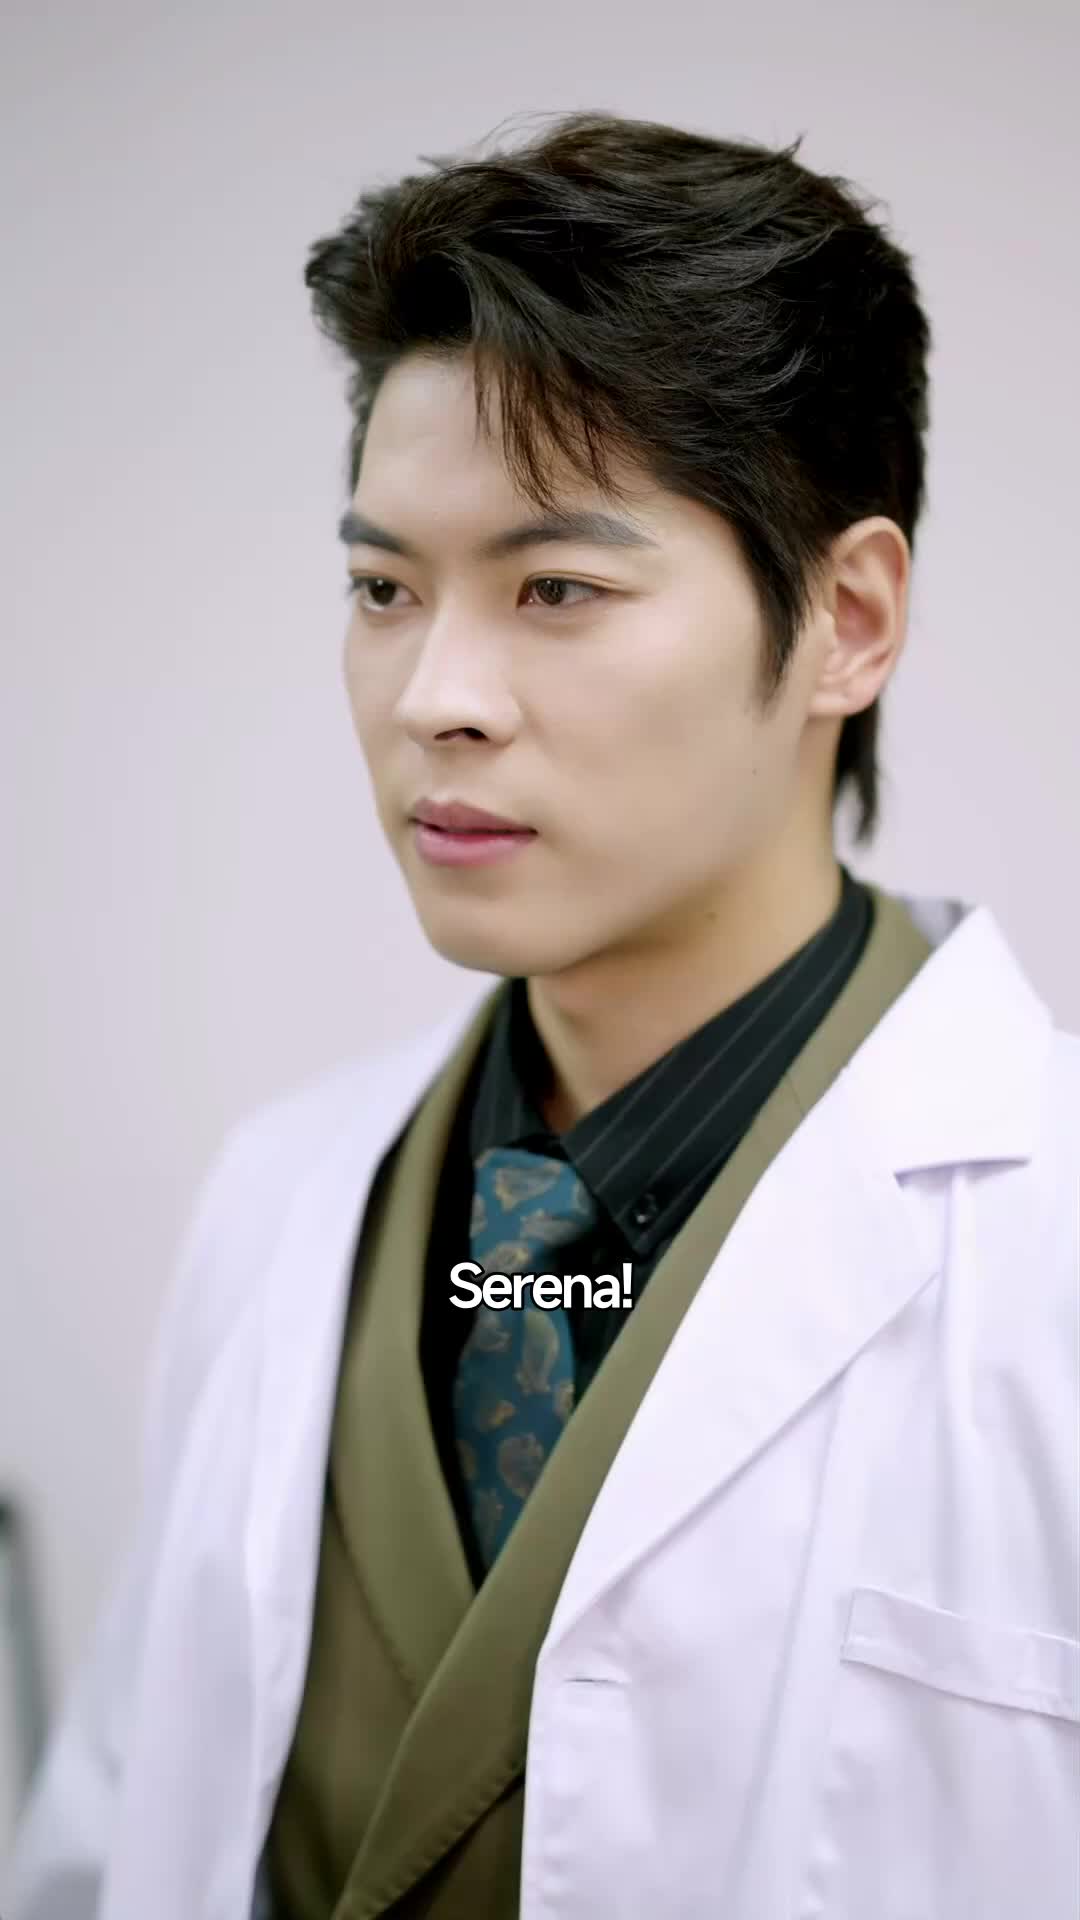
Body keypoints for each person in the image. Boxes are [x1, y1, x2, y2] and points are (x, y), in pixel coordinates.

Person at [8, 108, 1078, 1920]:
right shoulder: (281, 1201)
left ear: (847, 618)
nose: (437, 694)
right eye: (383, 589)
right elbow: (113, 1838)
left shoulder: (1047, 1249)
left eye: (556, 589)